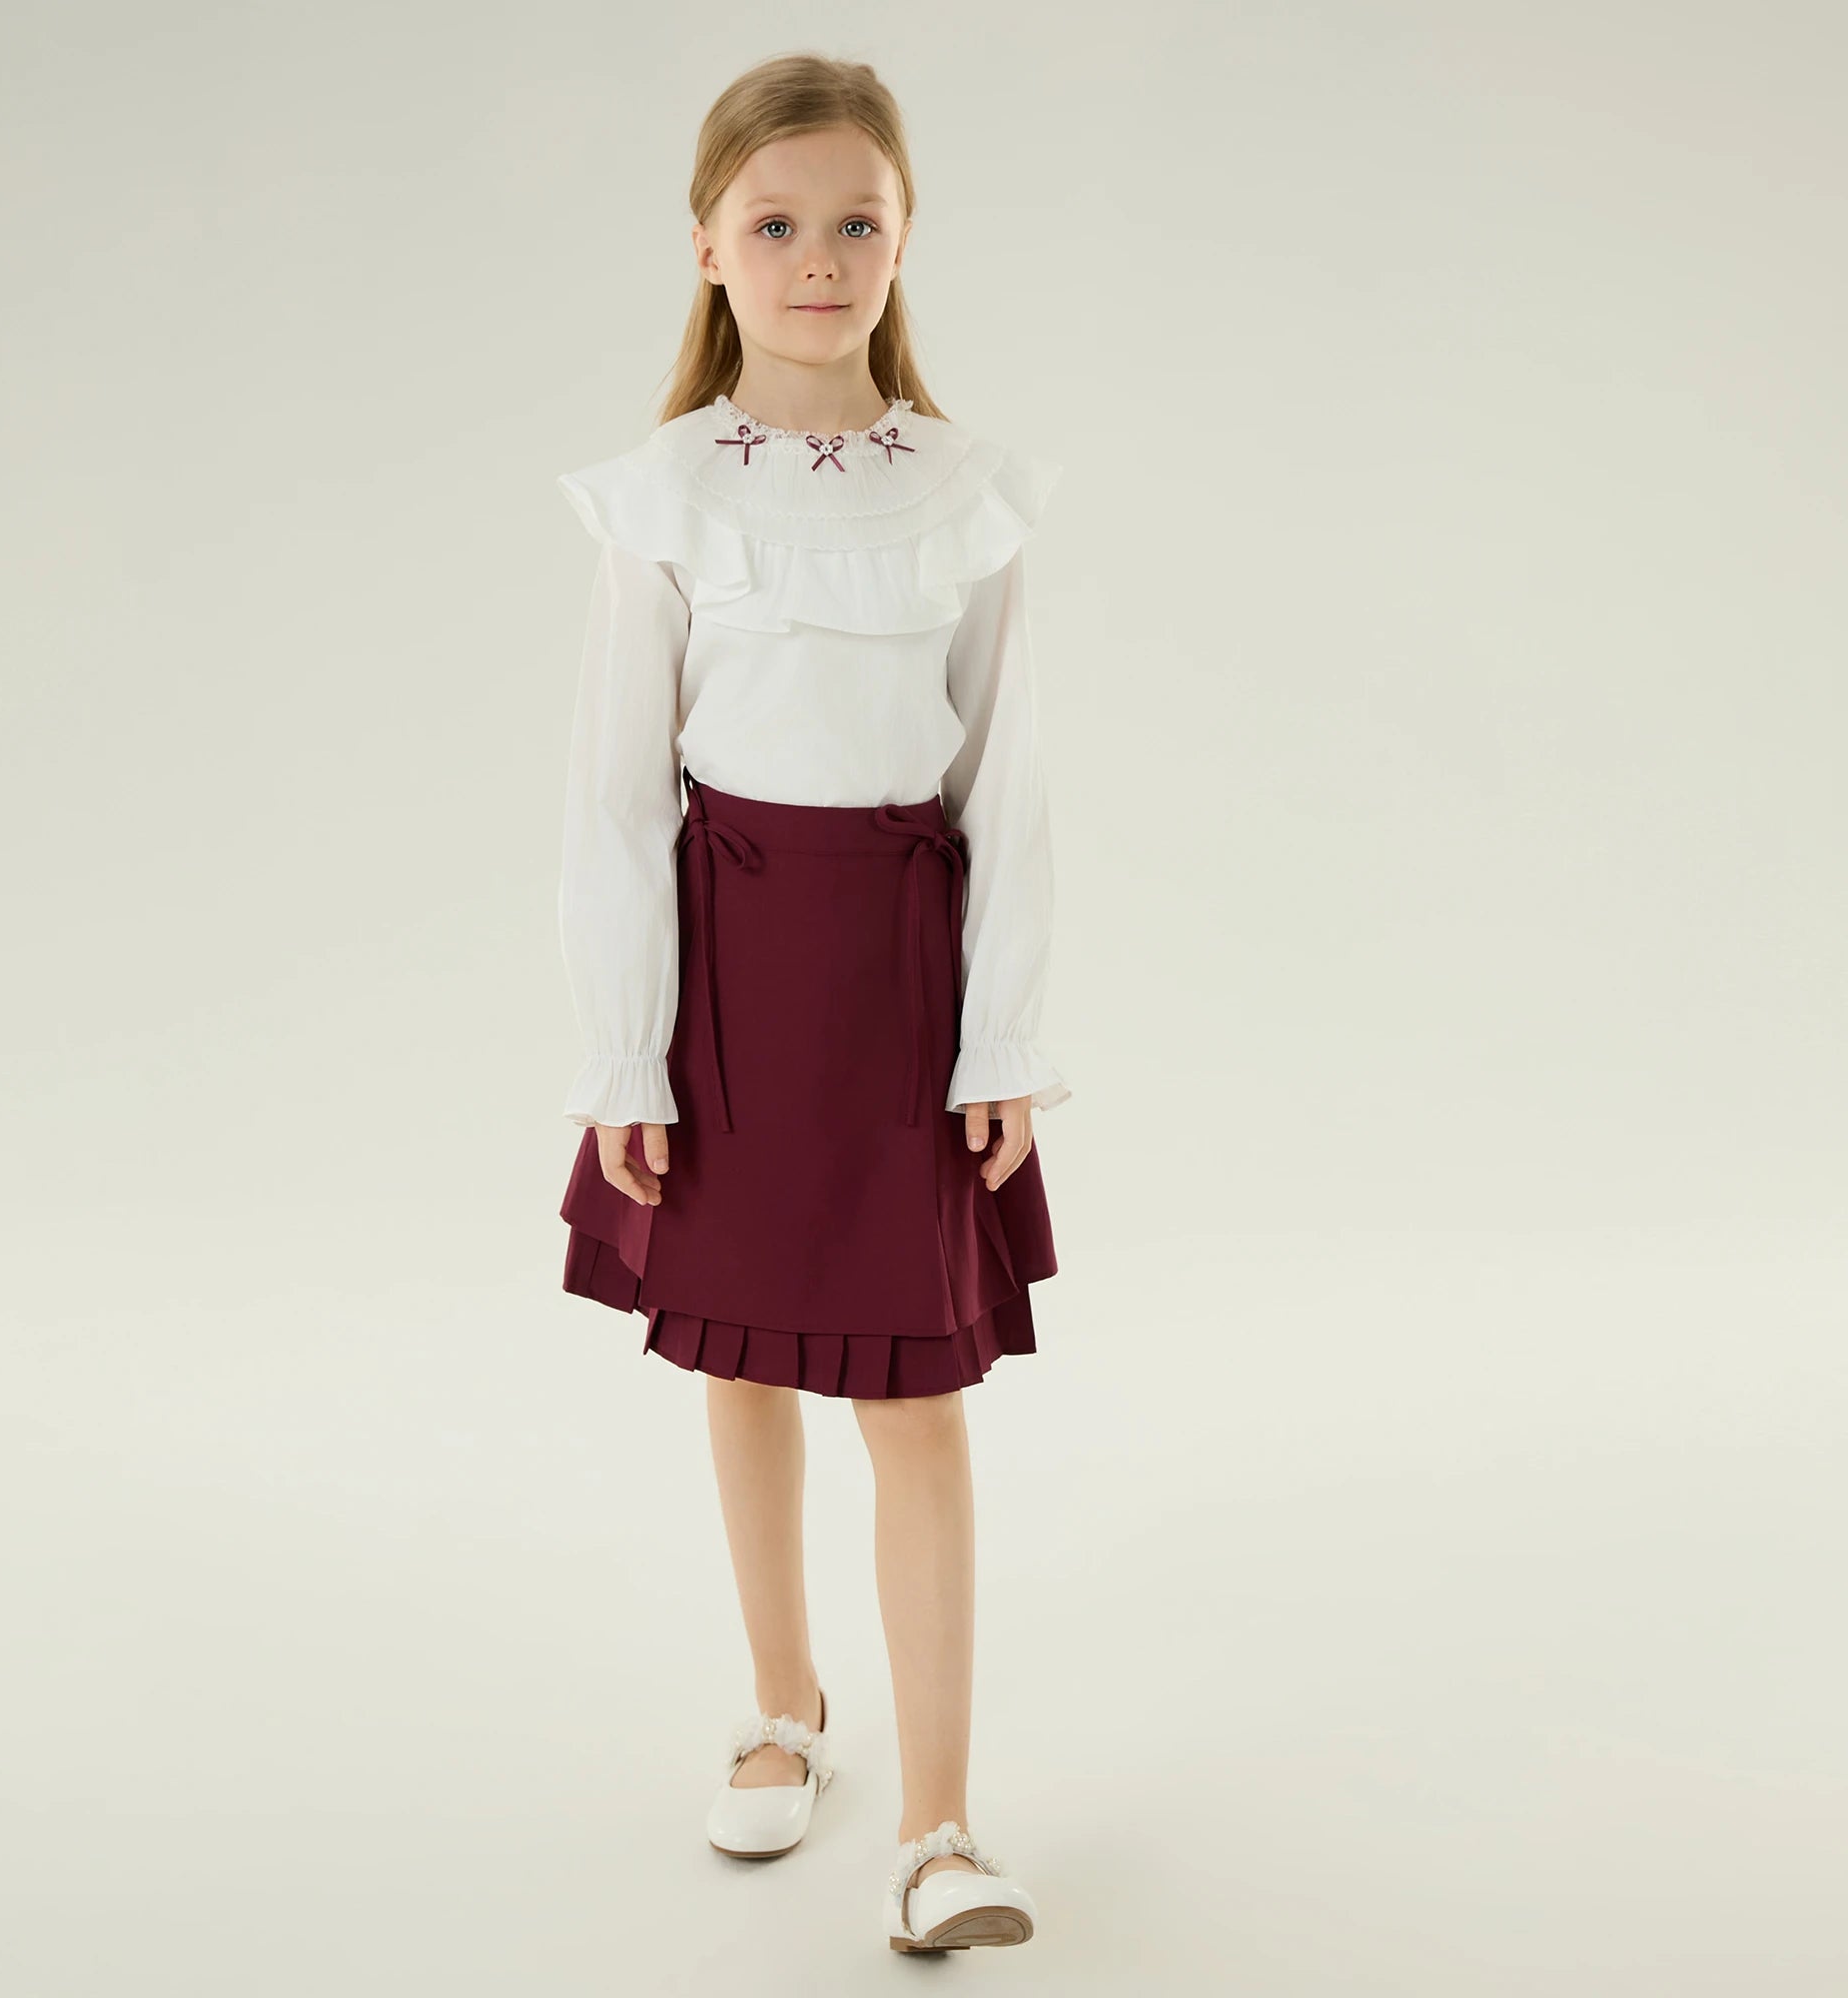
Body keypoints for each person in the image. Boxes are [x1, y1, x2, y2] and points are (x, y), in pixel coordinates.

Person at [550, 53, 1069, 1955]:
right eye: (775, 224)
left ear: (906, 238)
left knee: (917, 1397)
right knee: (749, 1359)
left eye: (857, 220)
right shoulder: (665, 500)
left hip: (905, 984)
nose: (819, 257)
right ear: (708, 247)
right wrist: (625, 1052)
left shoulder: (967, 492)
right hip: (729, 975)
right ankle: (785, 1707)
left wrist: (1003, 1036)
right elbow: (618, 799)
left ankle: (941, 1829)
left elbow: (1007, 782)